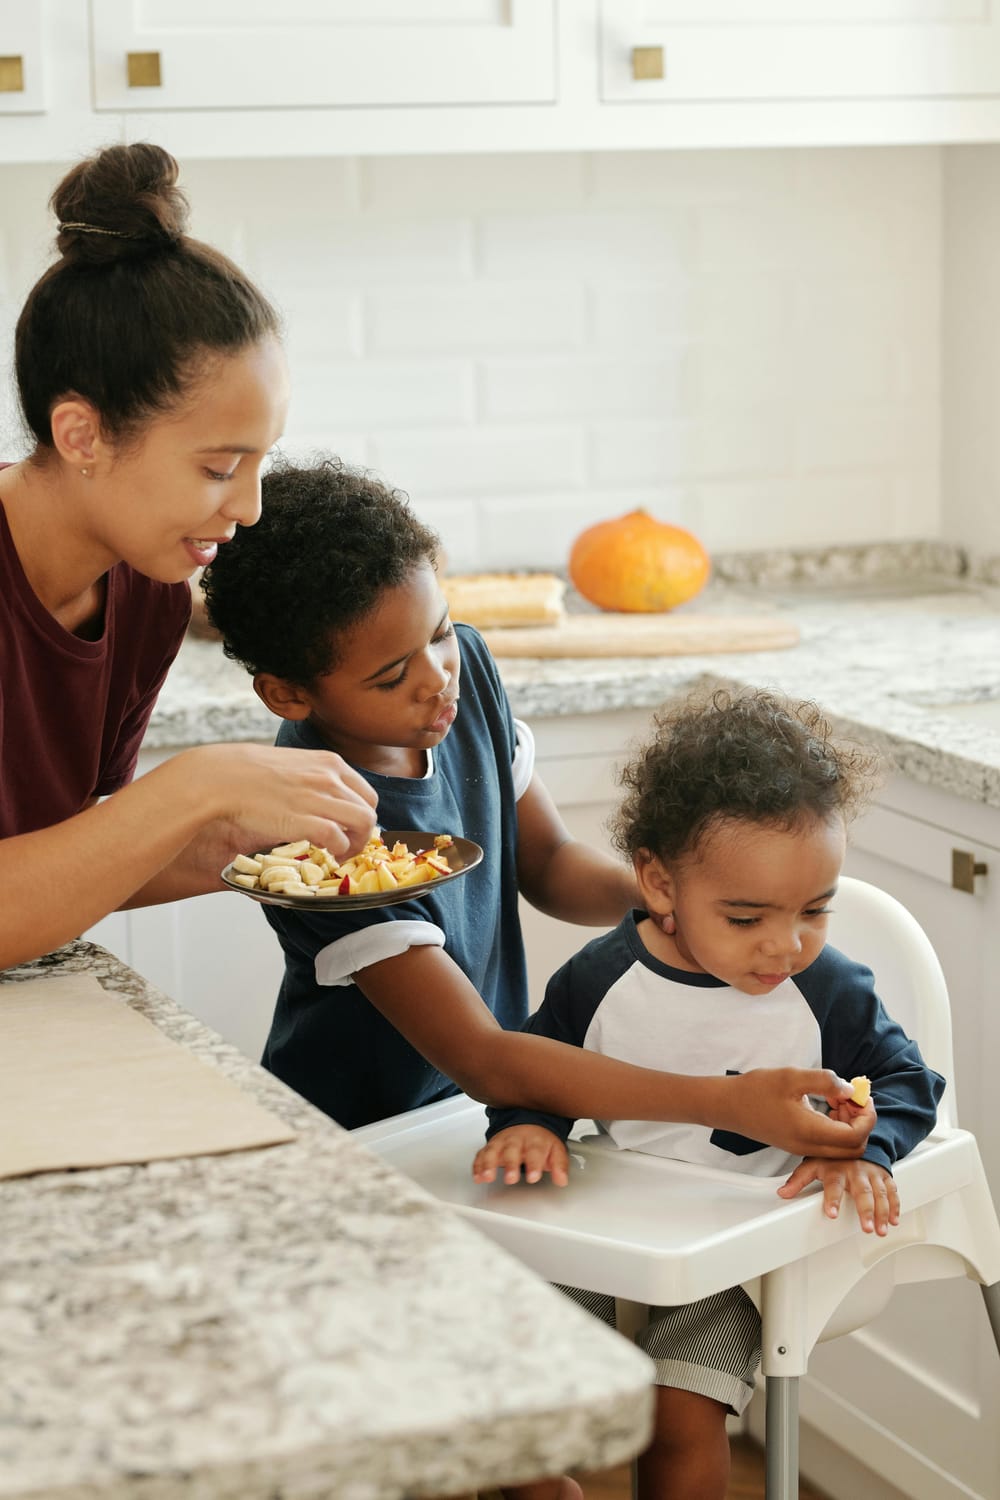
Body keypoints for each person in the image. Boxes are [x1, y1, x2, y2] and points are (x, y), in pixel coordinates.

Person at [201, 458, 880, 1153]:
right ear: (289, 694)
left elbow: (550, 863)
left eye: (438, 632)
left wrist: (672, 901)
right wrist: (725, 1104)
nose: (437, 679)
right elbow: (483, 1059)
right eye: (392, 675)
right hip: (362, 1134)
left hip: (483, 1107)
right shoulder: (314, 829)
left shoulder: (464, 679)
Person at [473, 688, 946, 1500]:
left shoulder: (827, 989)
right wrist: (528, 1124)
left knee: (680, 1412)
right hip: (611, 1231)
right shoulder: (599, 979)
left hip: (739, 1257)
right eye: (747, 918)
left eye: (815, 910)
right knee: (522, 1372)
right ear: (659, 884)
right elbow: (535, 1070)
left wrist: (869, 1147)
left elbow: (908, 1079)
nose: (785, 945)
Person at [0, 142, 377, 972]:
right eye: (217, 468)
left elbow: (63, 861)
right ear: (82, 435)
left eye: (259, 462)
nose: (249, 507)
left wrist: (255, 845)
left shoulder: (148, 595)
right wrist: (195, 788)